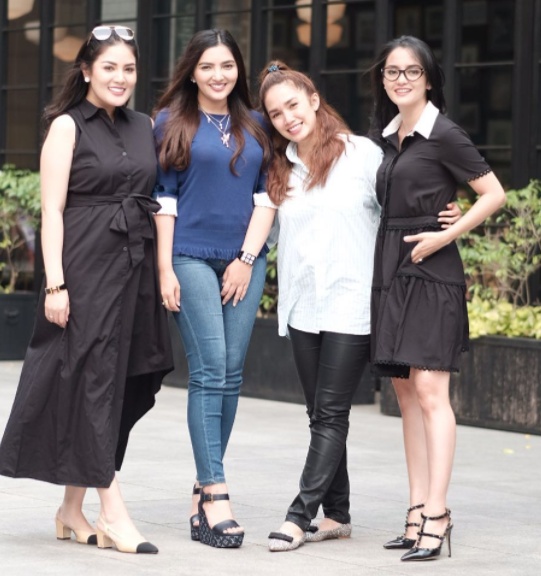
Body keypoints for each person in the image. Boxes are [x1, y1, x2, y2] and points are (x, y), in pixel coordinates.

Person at [258, 61, 461, 553]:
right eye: (276, 113)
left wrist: (448, 211)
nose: (287, 118)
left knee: (331, 414)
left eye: (293, 105)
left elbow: (407, 200)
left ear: (313, 99)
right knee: (318, 414)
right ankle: (338, 514)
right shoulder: (280, 167)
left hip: (352, 304)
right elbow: (270, 230)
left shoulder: (362, 155)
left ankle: (298, 516)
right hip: (302, 306)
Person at [0, 26, 174, 555]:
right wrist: (55, 283)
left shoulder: (145, 125)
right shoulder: (66, 126)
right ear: (86, 71)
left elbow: (157, 197)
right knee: (93, 380)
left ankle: (70, 511)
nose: (120, 78)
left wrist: (161, 269)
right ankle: (113, 512)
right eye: (109, 67)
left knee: (119, 382)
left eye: (129, 69)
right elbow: (51, 211)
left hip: (134, 267)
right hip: (84, 267)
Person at [369, 35, 506, 562]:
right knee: (404, 393)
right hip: (392, 269)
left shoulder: (444, 132)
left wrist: (449, 232)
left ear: (428, 79)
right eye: (392, 71)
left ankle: (438, 512)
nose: (401, 79)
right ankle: (415, 511)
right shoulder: (390, 136)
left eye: (412, 71)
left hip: (432, 270)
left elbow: (493, 193)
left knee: (430, 391)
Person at [152, 29, 274, 549]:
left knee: (231, 373)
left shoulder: (259, 124)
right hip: (190, 255)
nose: (218, 75)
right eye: (207, 66)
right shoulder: (169, 122)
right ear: (192, 72)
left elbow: (268, 196)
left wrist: (245, 260)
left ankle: (202, 489)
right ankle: (217, 493)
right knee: (209, 369)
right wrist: (164, 268)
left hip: (247, 258)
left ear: (238, 70)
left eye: (227, 65)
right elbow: (163, 199)